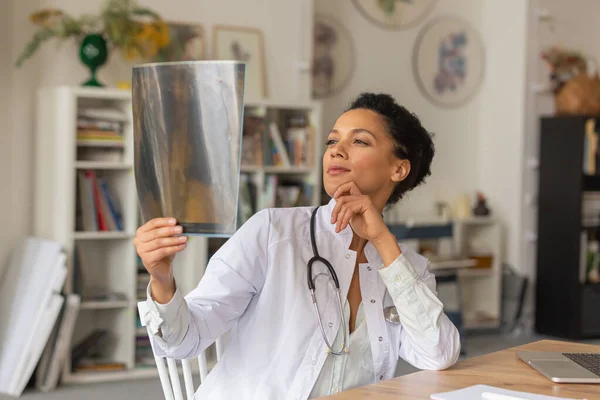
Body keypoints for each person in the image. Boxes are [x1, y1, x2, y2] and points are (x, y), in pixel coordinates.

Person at [134, 92, 461, 399]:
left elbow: (438, 354)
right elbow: (184, 341)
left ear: (398, 168)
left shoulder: (409, 269)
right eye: (332, 140)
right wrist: (162, 280)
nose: (336, 150)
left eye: (359, 141)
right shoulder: (273, 231)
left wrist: (383, 241)